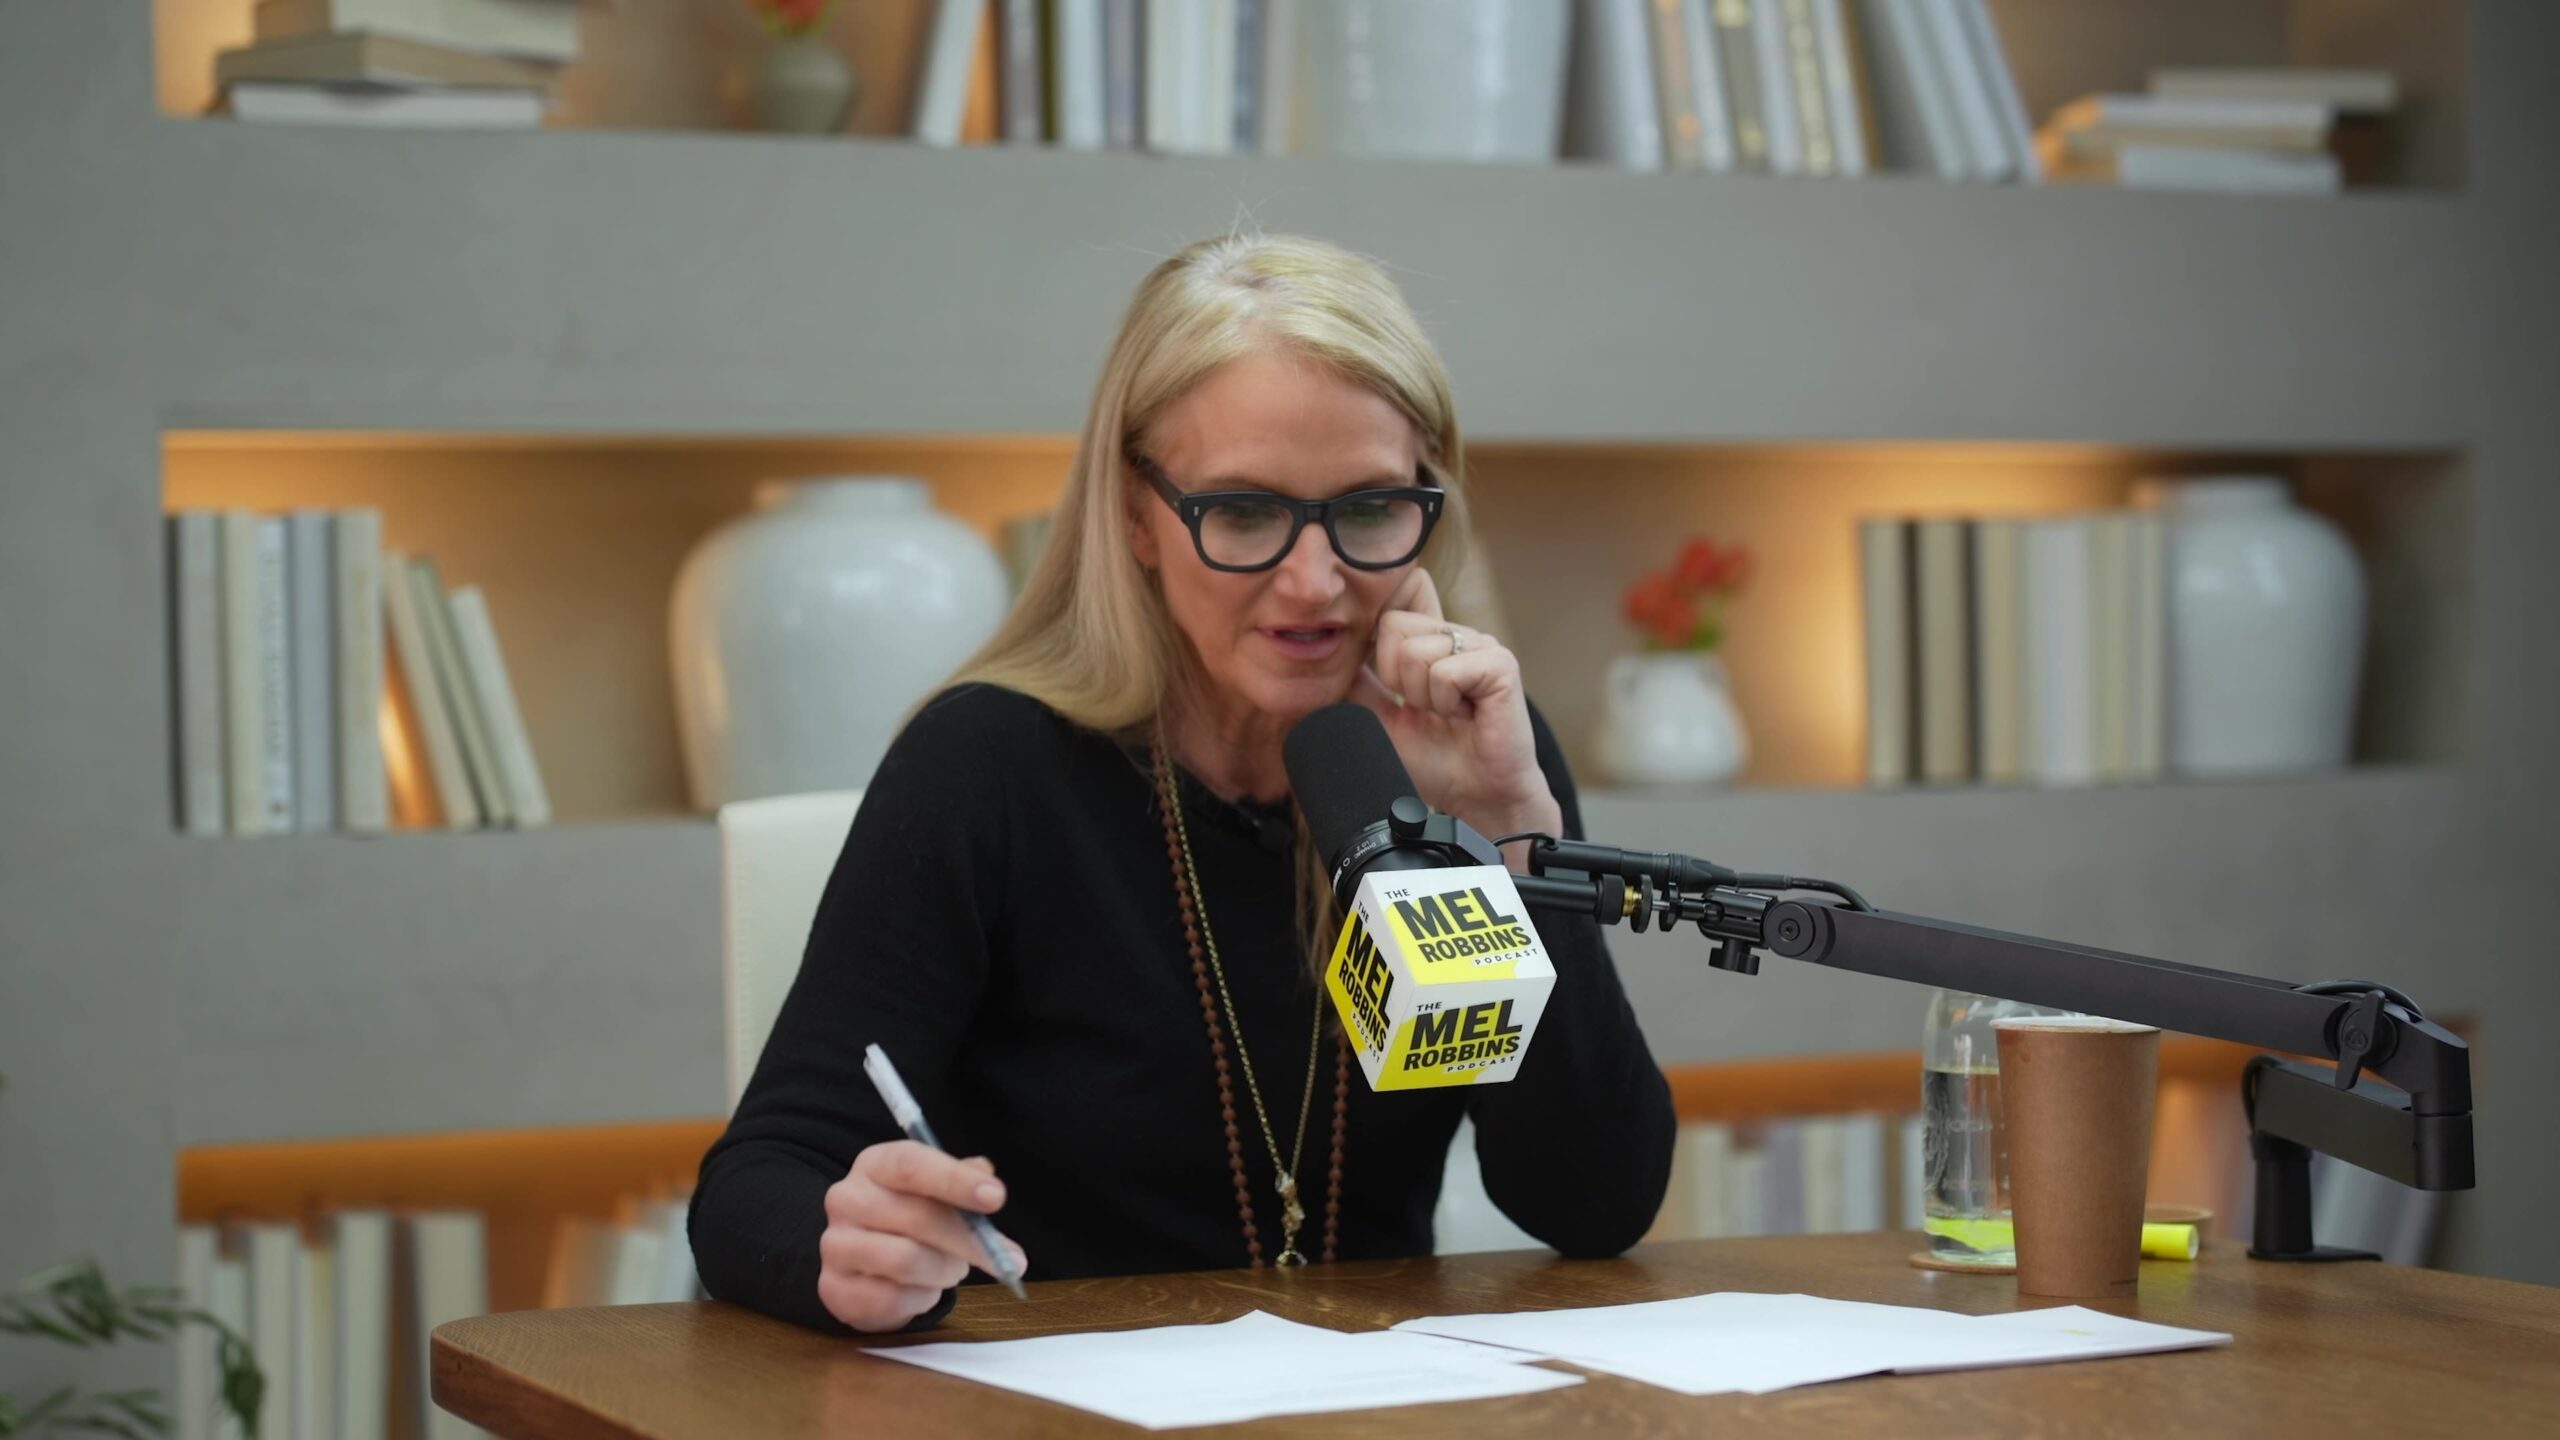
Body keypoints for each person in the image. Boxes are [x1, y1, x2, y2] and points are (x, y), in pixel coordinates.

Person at [690, 232, 1676, 1335]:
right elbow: (757, 1182)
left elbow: (1594, 1203)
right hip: (1056, 1398)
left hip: (1376, 1396)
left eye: (1366, 509)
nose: (1315, 582)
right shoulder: (988, 766)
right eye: (1245, 512)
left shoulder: (1471, 749)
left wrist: (1513, 839)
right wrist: (849, 1247)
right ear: (1135, 514)